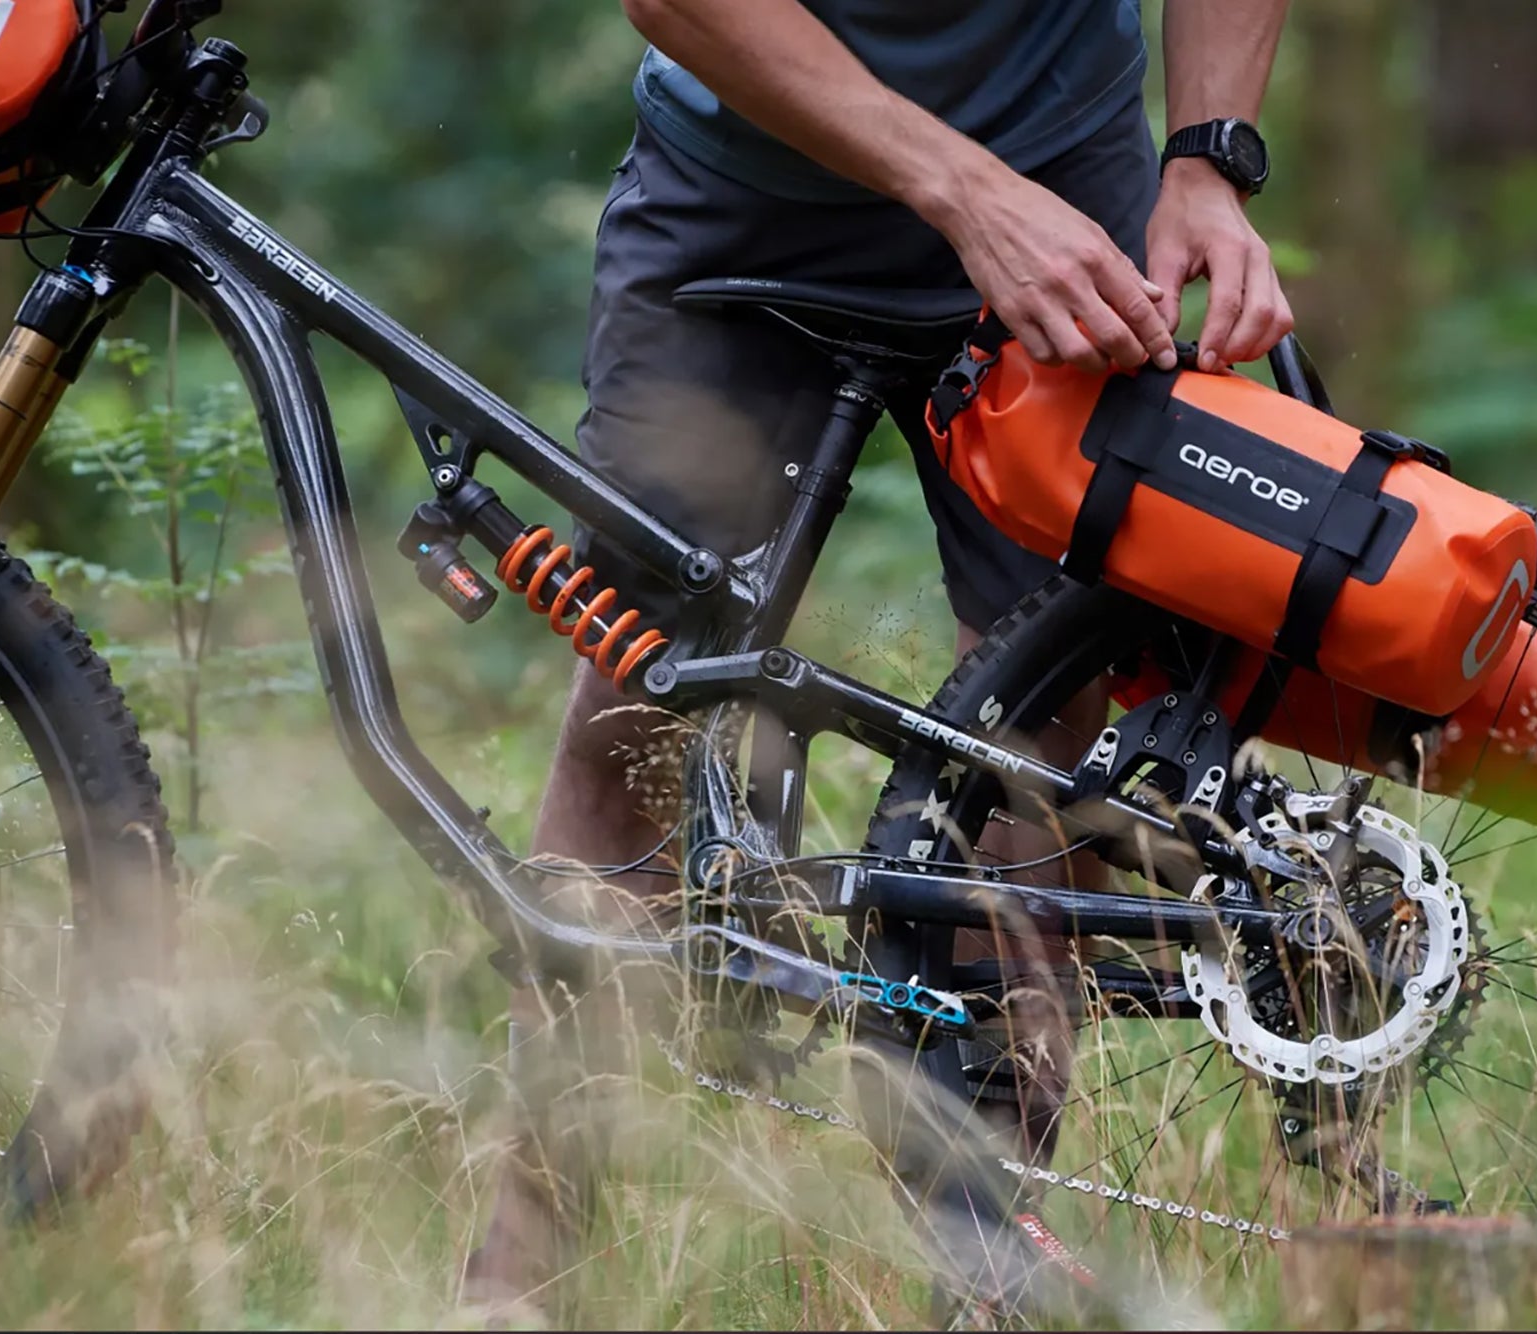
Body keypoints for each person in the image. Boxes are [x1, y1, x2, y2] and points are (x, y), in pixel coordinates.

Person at [464, 0, 1294, 1307]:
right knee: (641, 703)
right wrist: (962, 191)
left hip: (1068, 181)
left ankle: (981, 1264)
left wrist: (1207, 157)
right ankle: (518, 1279)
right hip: (746, 182)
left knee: (1038, 730)